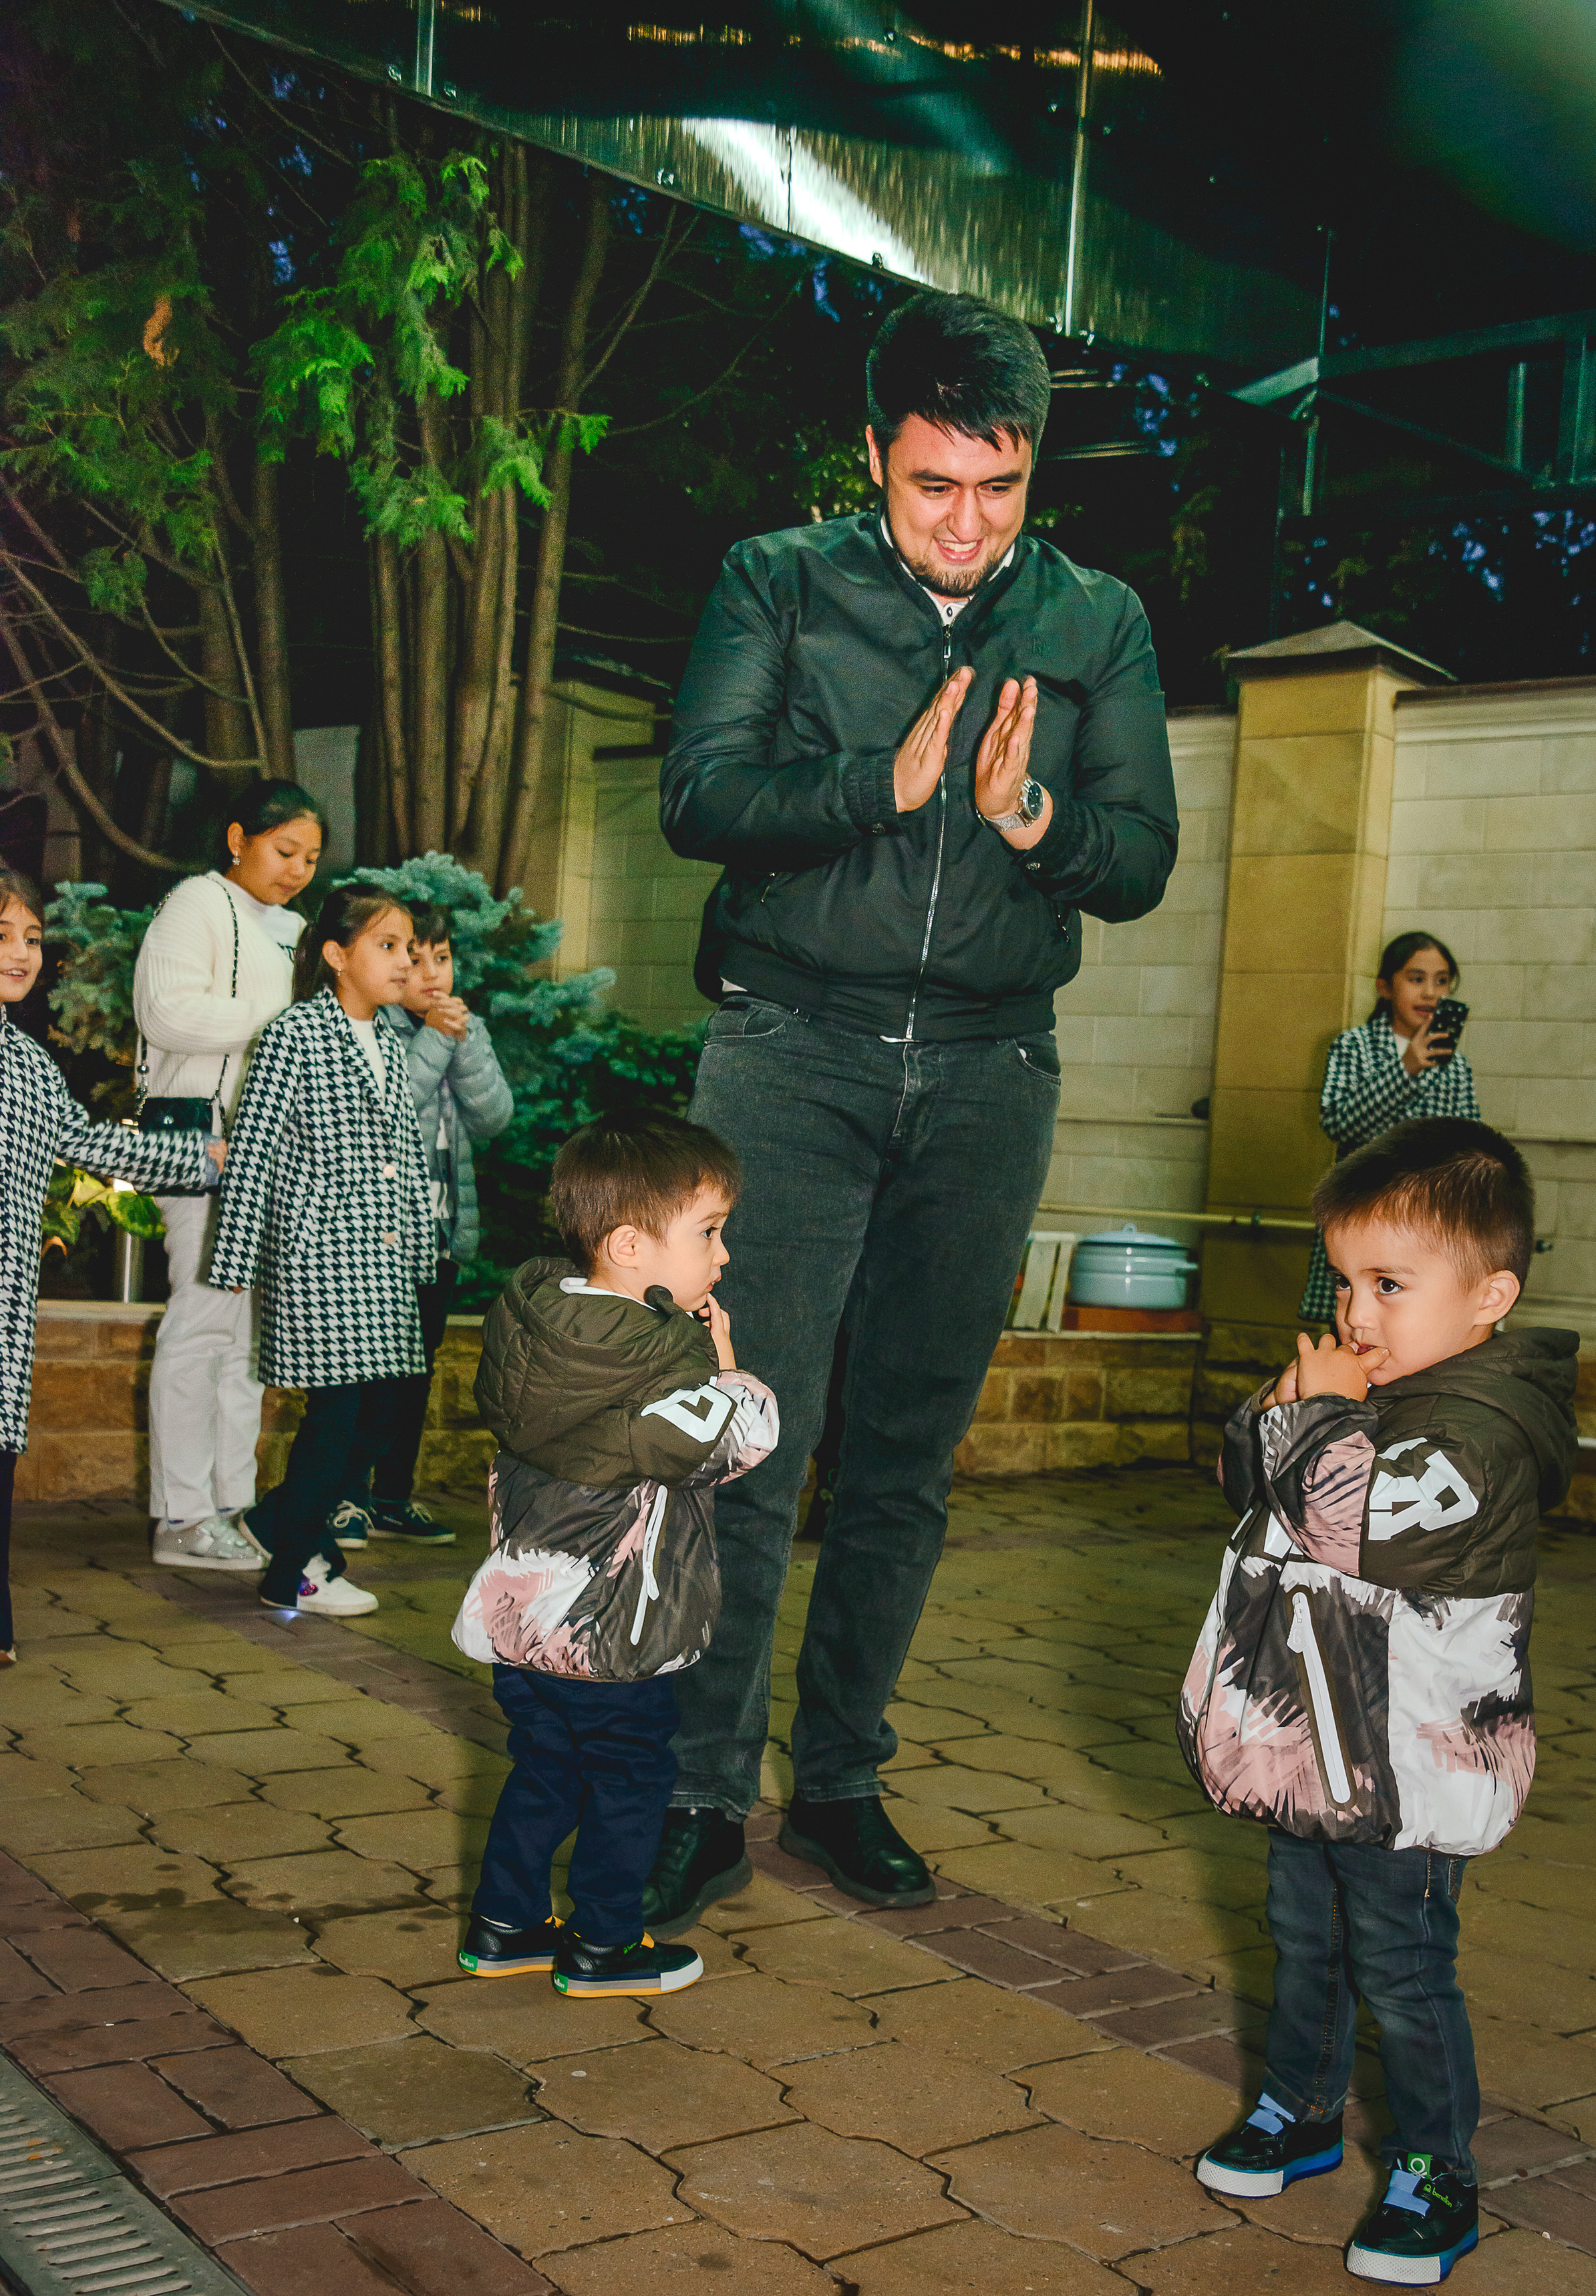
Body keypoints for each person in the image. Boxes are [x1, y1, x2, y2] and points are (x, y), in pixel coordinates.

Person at [652, 288, 1178, 1928]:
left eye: (998, 488)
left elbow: (1139, 857)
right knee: (749, 1433)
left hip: (986, 1070)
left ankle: (837, 1780)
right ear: (873, 455)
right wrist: (867, 789)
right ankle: (694, 1791)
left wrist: (1032, 821)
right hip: (789, 1050)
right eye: (932, 483)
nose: (965, 524)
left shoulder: (1096, 619)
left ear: (1034, 474)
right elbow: (698, 794)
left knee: (901, 1457)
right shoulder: (777, 578)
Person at [1183, 1118, 1577, 2287]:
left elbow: (1357, 1526)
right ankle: (1301, 2108)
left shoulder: (1485, 1431)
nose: (1357, 1313)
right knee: (1305, 1936)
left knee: (1403, 1965)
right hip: (1311, 1740)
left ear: (1490, 1295)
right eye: (1346, 1281)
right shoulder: (1371, 1391)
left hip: (1411, 1769)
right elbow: (1247, 1482)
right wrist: (1286, 1411)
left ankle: (1435, 2165)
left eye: (1390, 1285)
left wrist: (1315, 1420)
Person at [450, 1110, 778, 1995]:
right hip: (607, 1631)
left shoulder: (541, 1326)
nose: (722, 1255)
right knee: (631, 1777)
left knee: (545, 1767)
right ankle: (604, 1944)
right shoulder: (657, 1358)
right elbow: (732, 1443)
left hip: (522, 1617)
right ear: (630, 1245)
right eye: (708, 1232)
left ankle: (506, 1923)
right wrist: (727, 1368)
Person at [0, 866, 222, 1661]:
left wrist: (203, 1156)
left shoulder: (28, 1063)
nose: (21, 953)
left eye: (32, 938)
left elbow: (94, 1143)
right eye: (2, 934)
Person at [208, 887, 436, 1617]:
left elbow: (408, 1157)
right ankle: (292, 1575)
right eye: (387, 945)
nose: (404, 961)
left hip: (384, 1262)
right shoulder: (295, 1034)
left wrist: (421, 1254)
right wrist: (235, 1258)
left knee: (380, 1416)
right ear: (337, 955)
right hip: (320, 1258)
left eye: (408, 948)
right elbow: (252, 1151)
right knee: (336, 1418)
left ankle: (278, 1522)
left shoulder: (391, 1043)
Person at [134, 778, 322, 1571]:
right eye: (285, 850)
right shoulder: (196, 903)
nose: (298, 870)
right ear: (238, 838)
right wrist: (286, 1021)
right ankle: (181, 1516)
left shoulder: (297, 930)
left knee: (245, 1338)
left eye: (311, 858)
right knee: (203, 1319)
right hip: (200, 1135)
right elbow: (167, 1012)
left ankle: (230, 1505)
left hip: (267, 1146)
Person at [329, 900, 513, 1552]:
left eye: (443, 957)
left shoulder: (463, 1026)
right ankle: (344, 1496)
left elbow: (493, 1117)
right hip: (382, 1241)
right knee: (368, 1374)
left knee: (415, 1375)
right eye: (415, 957)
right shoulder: (374, 1028)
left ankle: (390, 1497)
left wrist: (462, 1041)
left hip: (440, 1235)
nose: (431, 973)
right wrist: (435, 1038)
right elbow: (391, 1111)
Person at [1300, 931, 1478, 1330]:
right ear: (1385, 987)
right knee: (1357, 1325)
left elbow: (1469, 1144)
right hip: (1364, 1213)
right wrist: (1406, 1069)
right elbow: (1339, 1122)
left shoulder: (1455, 1064)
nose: (1430, 992)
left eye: (1442, 981)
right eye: (1416, 979)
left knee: (1418, 1328)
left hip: (1428, 1223)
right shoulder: (1354, 1047)